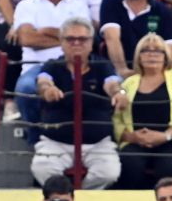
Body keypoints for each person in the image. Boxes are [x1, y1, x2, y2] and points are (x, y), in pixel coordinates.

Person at [31, 17, 126, 189]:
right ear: (61, 42)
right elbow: (43, 81)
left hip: (97, 142)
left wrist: (119, 93)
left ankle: (77, 196)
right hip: (55, 141)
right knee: (42, 169)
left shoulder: (102, 66)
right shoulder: (52, 65)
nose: (76, 43)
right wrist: (47, 90)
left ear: (91, 43)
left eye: (82, 39)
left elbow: (112, 83)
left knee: (109, 172)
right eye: (70, 39)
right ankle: (65, 194)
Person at [12, 0, 87, 135]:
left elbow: (83, 42)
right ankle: (36, 136)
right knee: (25, 89)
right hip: (35, 67)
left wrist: (45, 31)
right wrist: (66, 37)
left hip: (70, 65)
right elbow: (27, 39)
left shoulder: (79, 6)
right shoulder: (26, 5)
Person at [115, 33, 172, 188]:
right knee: (130, 164)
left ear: (165, 56)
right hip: (136, 141)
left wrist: (165, 136)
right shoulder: (128, 84)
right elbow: (117, 119)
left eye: (157, 50)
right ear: (138, 57)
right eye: (145, 50)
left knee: (168, 166)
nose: (151, 54)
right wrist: (131, 137)